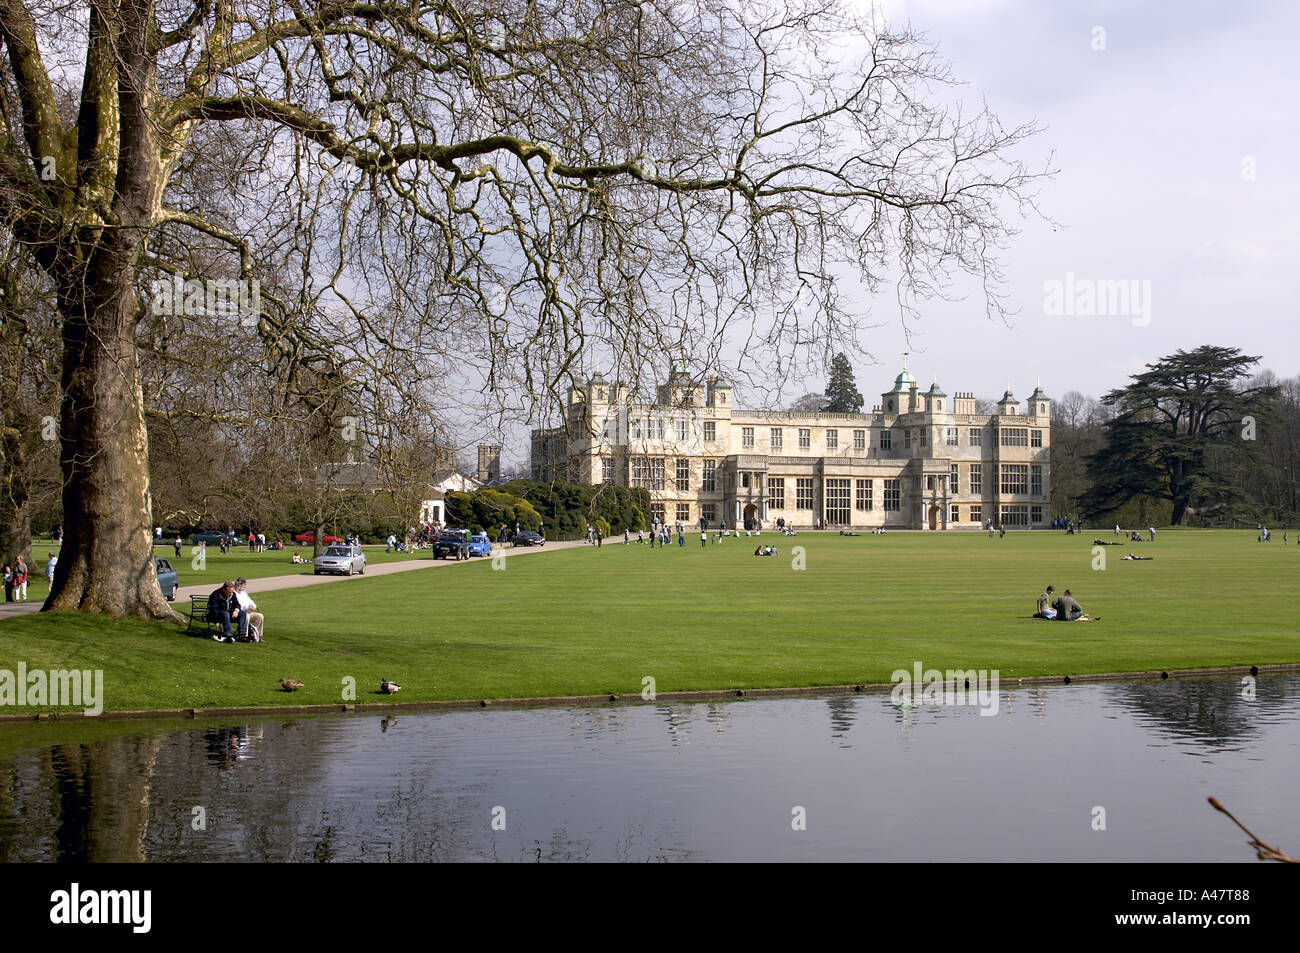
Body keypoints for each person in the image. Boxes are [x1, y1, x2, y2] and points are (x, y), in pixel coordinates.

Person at [234, 578, 264, 642]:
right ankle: (245, 636)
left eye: (243, 587)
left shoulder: (244, 593)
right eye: (239, 586)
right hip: (238, 614)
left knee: (260, 616)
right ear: (236, 585)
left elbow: (250, 601)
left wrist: (254, 606)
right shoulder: (234, 593)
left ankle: (257, 636)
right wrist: (248, 607)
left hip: (247, 612)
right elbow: (239, 605)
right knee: (246, 616)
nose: (241, 588)